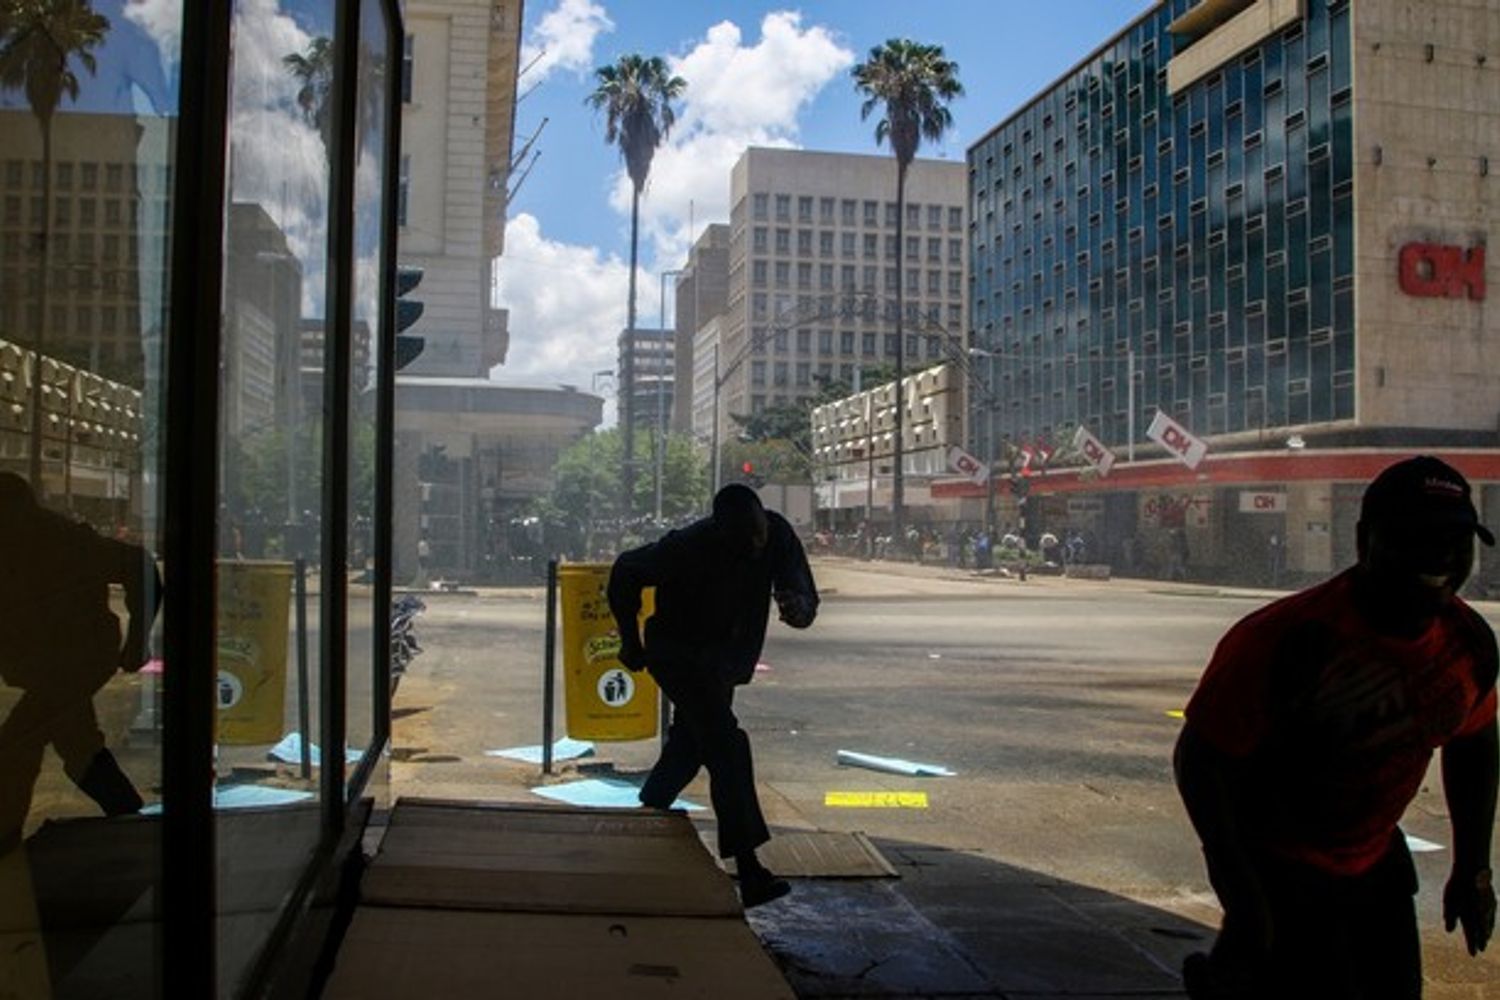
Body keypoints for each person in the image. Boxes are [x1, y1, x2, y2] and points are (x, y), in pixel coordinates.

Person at [1175, 456, 1498, 999]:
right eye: (1414, 536)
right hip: (1278, 867)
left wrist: (1473, 868)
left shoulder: (1468, 645)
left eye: (1455, 538)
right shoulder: (1287, 641)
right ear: (1363, 539)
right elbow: (1201, 763)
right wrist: (1244, 896)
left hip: (1376, 865)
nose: (1438, 555)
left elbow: (1475, 741)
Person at [608, 484, 818, 908]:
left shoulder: (776, 535)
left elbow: (801, 590)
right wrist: (630, 641)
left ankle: (651, 808)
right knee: (726, 746)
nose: (755, 547)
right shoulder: (687, 546)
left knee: (690, 744)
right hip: (679, 657)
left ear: (764, 519)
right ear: (720, 531)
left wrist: (799, 607)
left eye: (758, 534)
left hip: (722, 662)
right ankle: (749, 867)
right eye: (744, 540)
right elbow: (625, 572)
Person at [0, 473, 162, 854]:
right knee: (77, 747)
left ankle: (5, 834)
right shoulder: (28, 539)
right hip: (62, 664)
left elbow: (139, 565)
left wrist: (138, 641)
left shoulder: (55, 539)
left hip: (71, 663)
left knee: (17, 746)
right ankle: (129, 819)